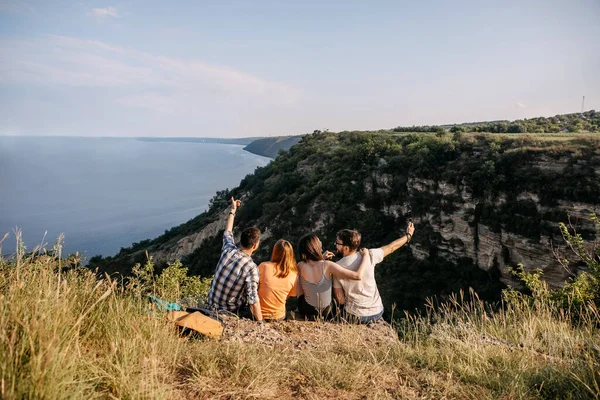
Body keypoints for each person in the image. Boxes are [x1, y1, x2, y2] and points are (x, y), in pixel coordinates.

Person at [333, 222, 415, 324]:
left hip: (354, 315)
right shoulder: (370, 254)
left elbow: (341, 300)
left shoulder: (336, 267)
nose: (335, 245)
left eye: (337, 243)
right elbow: (391, 247)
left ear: (346, 248)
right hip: (376, 312)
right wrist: (408, 235)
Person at [207, 197, 263, 322]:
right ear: (255, 246)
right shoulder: (251, 268)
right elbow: (253, 300)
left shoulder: (228, 249)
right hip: (229, 312)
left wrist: (233, 210)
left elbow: (227, 232)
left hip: (211, 304)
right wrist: (261, 323)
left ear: (241, 240)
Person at [296, 233, 371, 320]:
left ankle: (297, 309)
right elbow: (357, 276)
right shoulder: (328, 265)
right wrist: (366, 256)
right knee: (333, 282)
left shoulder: (300, 265)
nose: (320, 243)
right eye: (319, 242)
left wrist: (321, 259)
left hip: (307, 312)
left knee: (300, 283)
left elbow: (313, 268)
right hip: (327, 312)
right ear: (315, 247)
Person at [257, 239, 298, 321]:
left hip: (258, 314)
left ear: (274, 252)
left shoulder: (263, 266)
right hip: (278, 317)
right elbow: (289, 295)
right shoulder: (294, 275)